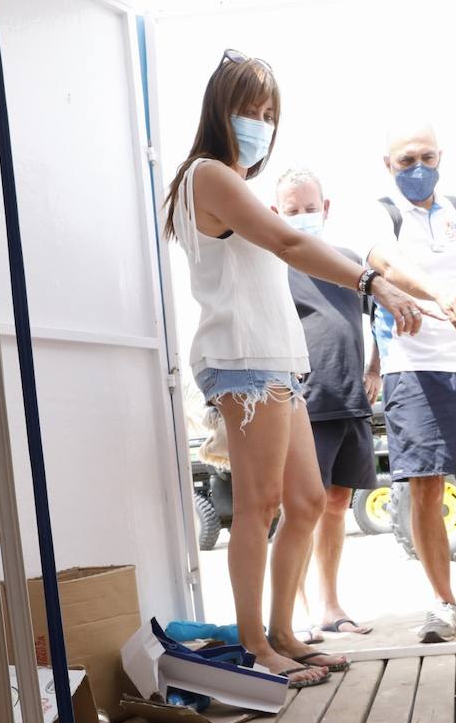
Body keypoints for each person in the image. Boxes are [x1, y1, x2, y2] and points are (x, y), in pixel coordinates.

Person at [164, 52, 427, 687]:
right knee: (257, 506)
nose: (259, 124)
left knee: (307, 499)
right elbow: (289, 243)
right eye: (249, 111)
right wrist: (374, 284)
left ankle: (284, 631)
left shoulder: (234, 183)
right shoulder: (207, 176)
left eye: (269, 114)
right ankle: (256, 647)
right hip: (242, 364)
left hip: (278, 366)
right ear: (218, 111)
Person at [364, 121, 456, 642]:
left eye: (426, 157)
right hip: (413, 369)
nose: (417, 169)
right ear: (389, 165)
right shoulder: (381, 214)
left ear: (440, 157)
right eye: (405, 161)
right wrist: (438, 296)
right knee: (426, 489)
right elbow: (386, 263)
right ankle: (443, 604)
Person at [273, 166, 377, 638]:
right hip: (301, 405)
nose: (303, 217)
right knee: (298, 509)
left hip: (350, 400)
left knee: (337, 505)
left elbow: (385, 321)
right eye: (292, 211)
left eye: (310, 208)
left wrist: (374, 370)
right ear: (276, 214)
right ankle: (293, 617)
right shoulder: (272, 267)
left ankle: (330, 606)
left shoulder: (350, 261)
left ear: (326, 208)